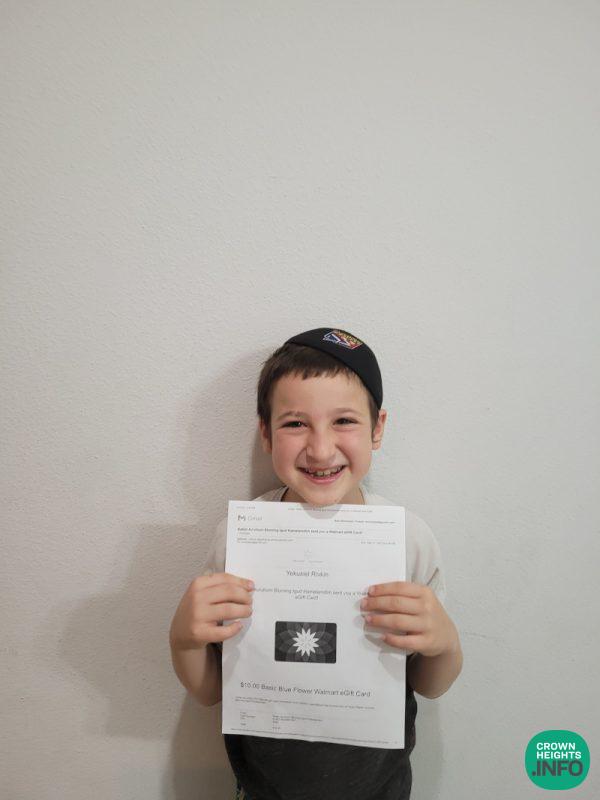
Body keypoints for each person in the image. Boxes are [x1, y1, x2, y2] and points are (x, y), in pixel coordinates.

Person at [169, 327, 463, 800]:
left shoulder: (408, 540)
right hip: (263, 787)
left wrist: (444, 643)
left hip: (380, 788)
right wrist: (183, 638)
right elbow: (211, 691)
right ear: (266, 433)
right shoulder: (239, 539)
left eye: (344, 420)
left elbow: (429, 685)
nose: (321, 449)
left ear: (378, 428)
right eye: (294, 424)